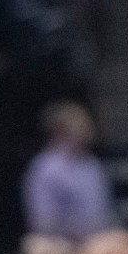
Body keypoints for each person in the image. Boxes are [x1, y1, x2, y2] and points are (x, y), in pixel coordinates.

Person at [25, 102, 116, 243]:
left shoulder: (91, 165)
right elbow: (44, 221)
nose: (85, 134)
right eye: (78, 128)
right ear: (61, 131)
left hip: (96, 245)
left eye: (86, 127)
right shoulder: (46, 168)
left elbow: (104, 210)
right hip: (61, 248)